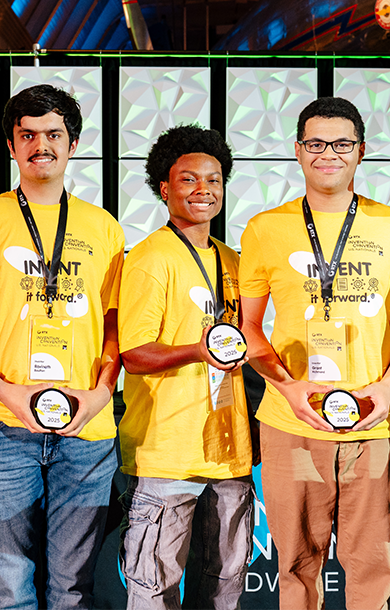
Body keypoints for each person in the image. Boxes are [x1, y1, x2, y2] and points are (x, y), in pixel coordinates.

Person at [0, 84, 125, 610]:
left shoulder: (103, 226)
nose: (41, 144)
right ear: (12, 146)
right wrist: (7, 392)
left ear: (74, 143)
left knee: (73, 586)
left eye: (53, 134)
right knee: (7, 582)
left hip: (85, 429)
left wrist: (101, 395)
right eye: (28, 134)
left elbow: (115, 326)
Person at [238, 97, 390, 610]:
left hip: (373, 423)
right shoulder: (263, 229)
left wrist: (388, 388)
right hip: (293, 424)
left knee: (370, 564)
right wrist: (288, 387)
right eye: (316, 143)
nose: (329, 154)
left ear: (361, 152)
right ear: (299, 151)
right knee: (298, 564)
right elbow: (248, 328)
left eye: (342, 144)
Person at [117, 124, 253, 610]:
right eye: (189, 180)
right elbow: (133, 354)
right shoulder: (151, 258)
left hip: (231, 451)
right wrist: (197, 351)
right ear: (165, 189)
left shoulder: (234, 261)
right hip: (166, 454)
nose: (203, 190)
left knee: (227, 582)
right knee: (155, 587)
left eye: (213, 180)